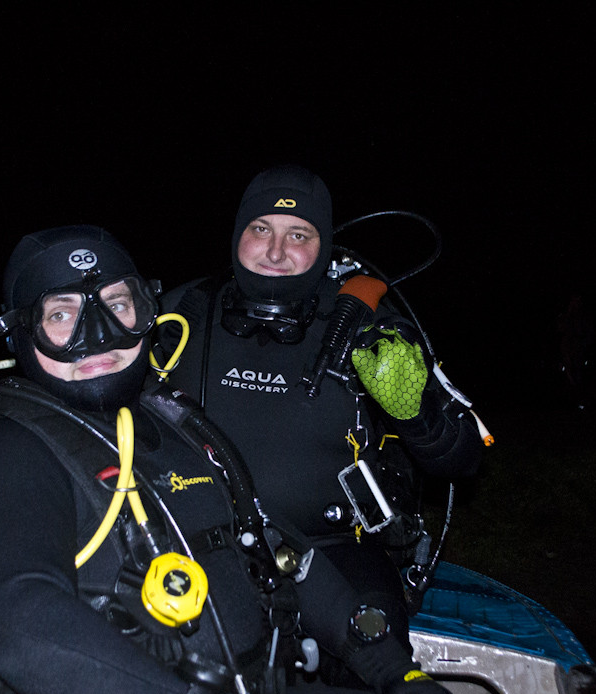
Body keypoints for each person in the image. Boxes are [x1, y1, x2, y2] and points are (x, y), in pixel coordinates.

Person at [0, 224, 468, 694]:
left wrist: (389, 665)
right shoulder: (6, 452)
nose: (98, 337)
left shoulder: (176, 426)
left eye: (116, 304)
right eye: (62, 314)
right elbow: (26, 628)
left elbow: (275, 547)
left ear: (146, 308)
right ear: (22, 333)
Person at [157, 165, 484, 595]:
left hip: (337, 553)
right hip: (191, 544)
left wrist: (418, 415)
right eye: (261, 228)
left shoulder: (370, 326)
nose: (275, 252)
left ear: (324, 244)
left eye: (298, 234)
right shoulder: (181, 314)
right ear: (238, 232)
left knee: (379, 654)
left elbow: (464, 460)